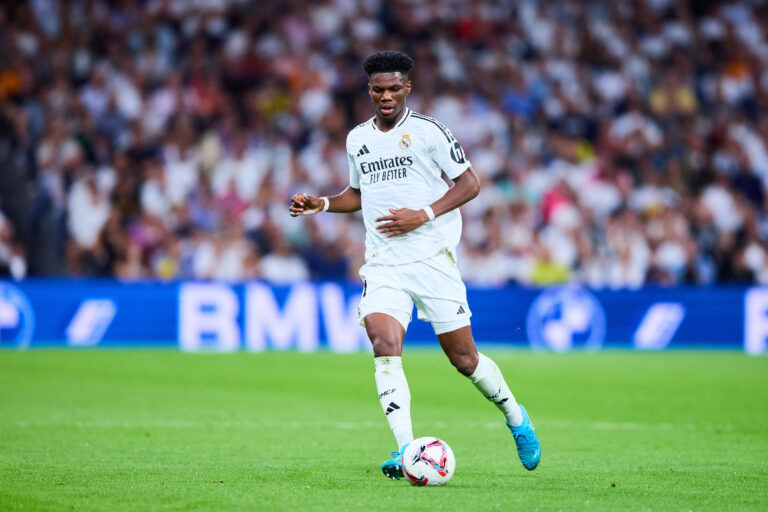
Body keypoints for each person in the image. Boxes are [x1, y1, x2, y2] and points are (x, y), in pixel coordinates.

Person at [289, 51, 540, 478]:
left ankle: (516, 415)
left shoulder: (429, 132)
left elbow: (470, 184)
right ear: (369, 91)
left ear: (407, 88)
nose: (385, 96)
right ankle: (406, 448)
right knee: (384, 344)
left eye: (392, 89)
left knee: (464, 360)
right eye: (377, 89)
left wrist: (421, 214)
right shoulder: (357, 139)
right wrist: (324, 203)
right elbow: (359, 193)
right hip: (384, 264)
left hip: (432, 261)